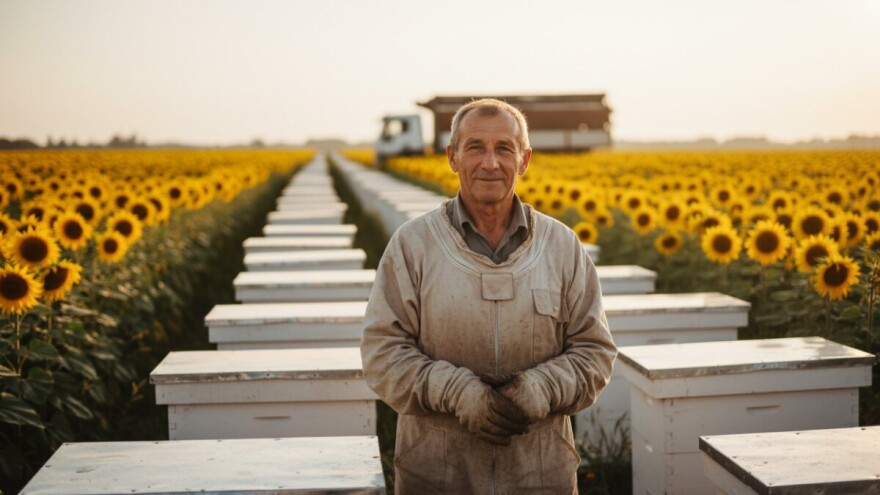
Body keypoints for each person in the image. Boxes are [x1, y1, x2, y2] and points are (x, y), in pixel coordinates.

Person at [361, 98, 617, 494]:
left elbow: (595, 353)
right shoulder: (412, 246)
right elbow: (382, 353)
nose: (490, 163)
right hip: (438, 473)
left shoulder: (562, 247)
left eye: (504, 149)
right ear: (452, 157)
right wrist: (453, 390)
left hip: (539, 474)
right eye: (475, 147)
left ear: (525, 159)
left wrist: (541, 388)